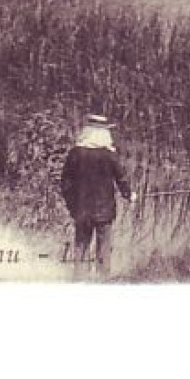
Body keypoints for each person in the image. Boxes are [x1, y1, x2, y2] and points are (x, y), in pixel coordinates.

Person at [59, 113, 135, 274]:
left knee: (81, 248)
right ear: (104, 133)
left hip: (81, 209)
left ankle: (79, 282)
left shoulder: (75, 154)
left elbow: (65, 183)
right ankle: (103, 283)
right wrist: (129, 195)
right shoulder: (109, 155)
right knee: (103, 251)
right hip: (104, 211)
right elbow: (121, 179)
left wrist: (72, 205)